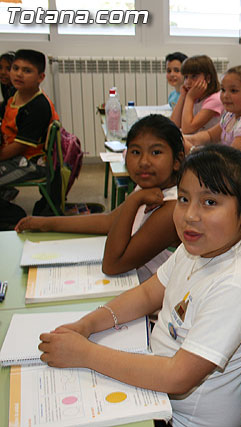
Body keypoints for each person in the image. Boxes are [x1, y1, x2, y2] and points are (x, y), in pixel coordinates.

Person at [39, 144, 241, 427]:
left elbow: (177, 377)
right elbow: (146, 294)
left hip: (180, 418)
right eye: (184, 199)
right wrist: (87, 325)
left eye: (209, 202)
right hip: (157, 393)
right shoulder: (200, 247)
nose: (190, 215)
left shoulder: (238, 285)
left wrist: (85, 354)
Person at [16, 115, 184, 282]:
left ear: (177, 160)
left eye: (156, 152)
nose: (144, 162)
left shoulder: (172, 208)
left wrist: (134, 200)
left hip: (154, 294)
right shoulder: (151, 187)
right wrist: (46, 224)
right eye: (135, 152)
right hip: (134, 282)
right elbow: (109, 221)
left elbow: (113, 265)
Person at [184, 64, 241, 160]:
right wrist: (186, 139)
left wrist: (191, 150)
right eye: (223, 90)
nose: (225, 96)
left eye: (233, 91)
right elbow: (210, 135)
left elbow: (229, 161)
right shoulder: (230, 115)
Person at [0, 49, 59, 187]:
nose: (19, 74)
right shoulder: (14, 93)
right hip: (12, 152)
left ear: (40, 77)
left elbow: (20, 146)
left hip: (32, 162)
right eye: (15, 68)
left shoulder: (38, 106)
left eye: (27, 71)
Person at [170, 55, 222, 134]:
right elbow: (173, 125)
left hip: (209, 142)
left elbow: (187, 129)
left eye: (194, 76)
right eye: (186, 77)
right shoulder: (196, 97)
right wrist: (182, 96)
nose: (188, 82)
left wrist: (190, 98)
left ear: (208, 78)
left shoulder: (215, 99)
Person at [0, 51, 16, 118]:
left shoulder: (18, 91)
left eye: (8, 69)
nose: (2, 72)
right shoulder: (6, 85)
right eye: (0, 67)